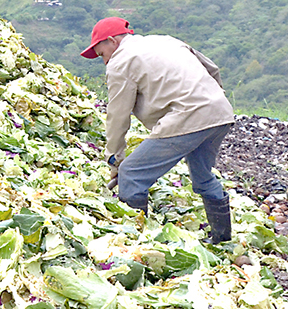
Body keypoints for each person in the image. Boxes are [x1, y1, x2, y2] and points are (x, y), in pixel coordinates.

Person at [81, 17, 235, 243]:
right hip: (220, 113)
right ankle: (222, 239)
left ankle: (134, 243)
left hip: (187, 117)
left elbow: (117, 116)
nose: (103, 61)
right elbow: (212, 69)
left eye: (101, 54)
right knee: (202, 176)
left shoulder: (121, 61)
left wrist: (115, 160)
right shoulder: (166, 41)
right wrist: (212, 101)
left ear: (112, 41)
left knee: (131, 174)